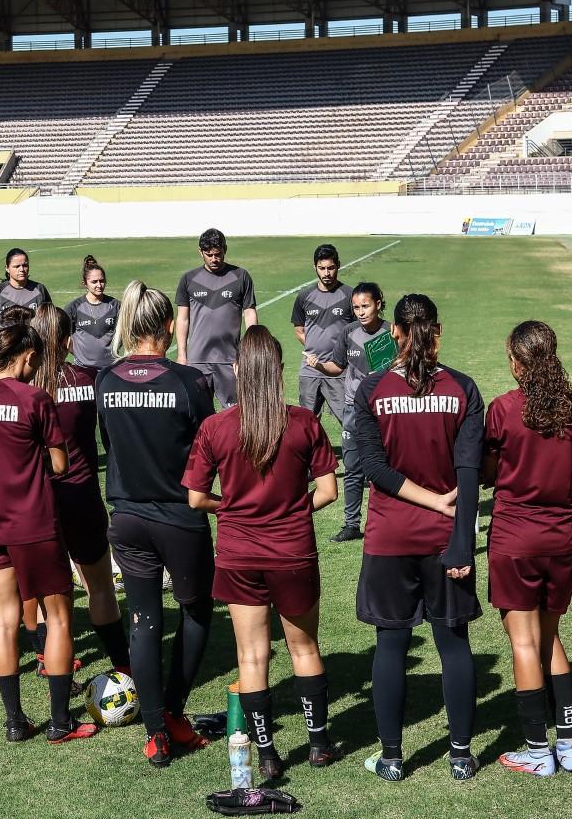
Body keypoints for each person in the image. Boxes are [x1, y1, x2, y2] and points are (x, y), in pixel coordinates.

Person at [183, 326, 341, 780]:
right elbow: (328, 491)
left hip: (238, 554)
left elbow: (195, 498)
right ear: (278, 371)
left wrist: (229, 509)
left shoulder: (216, 427)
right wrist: (291, 511)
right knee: (304, 648)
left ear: (237, 370)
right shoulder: (304, 422)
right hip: (293, 551)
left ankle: (268, 754)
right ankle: (319, 743)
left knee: (251, 657)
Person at [0, 305, 131, 676]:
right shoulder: (88, 378)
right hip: (80, 493)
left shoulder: (21, 387)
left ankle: (45, 656)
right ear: (68, 340)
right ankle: (122, 663)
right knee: (98, 587)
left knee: (38, 590)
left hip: (36, 500)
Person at [352, 293, 484, 782]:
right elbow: (468, 472)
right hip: (445, 540)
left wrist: (426, 501)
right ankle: (461, 755)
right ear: (438, 331)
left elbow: (374, 470)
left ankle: (391, 757)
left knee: (391, 643)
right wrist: (460, 538)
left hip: (388, 538)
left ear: (395, 334)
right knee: (453, 643)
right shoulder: (463, 388)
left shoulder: (371, 388)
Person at [0, 318, 97, 744]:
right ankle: (60, 721)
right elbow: (60, 464)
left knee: (6, 620)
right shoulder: (34, 397)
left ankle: (15, 721)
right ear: (29, 355)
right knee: (57, 618)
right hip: (32, 519)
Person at [97, 279, 216, 767]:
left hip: (126, 517)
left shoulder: (105, 381)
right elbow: (209, 449)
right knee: (196, 611)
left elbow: (110, 444)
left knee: (144, 623)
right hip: (179, 517)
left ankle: (154, 733)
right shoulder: (189, 382)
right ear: (169, 326)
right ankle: (173, 713)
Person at [483, 321, 572, 777]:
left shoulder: (504, 409)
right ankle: (568, 744)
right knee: (550, 639)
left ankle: (536, 749)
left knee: (524, 644)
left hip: (514, 538)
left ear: (520, 362)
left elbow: (487, 472)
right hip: (559, 538)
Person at [320, 282, 389, 543]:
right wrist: (320, 366)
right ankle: (351, 524)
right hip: (353, 409)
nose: (360, 312)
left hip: (384, 409)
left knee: (385, 467)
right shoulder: (348, 332)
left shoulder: (391, 332)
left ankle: (385, 523)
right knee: (352, 468)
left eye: (366, 306)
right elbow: (338, 366)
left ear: (379, 305)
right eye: (356, 307)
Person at [175, 228, 257, 408]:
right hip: (197, 361)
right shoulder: (188, 279)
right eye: (209, 254)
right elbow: (182, 319)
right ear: (200, 252)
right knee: (198, 414)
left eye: (218, 254)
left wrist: (249, 349)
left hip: (231, 360)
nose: (214, 259)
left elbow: (249, 313)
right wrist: (182, 354)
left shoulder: (240, 276)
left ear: (225, 249)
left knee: (235, 413)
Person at [293, 244, 353, 425]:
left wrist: (339, 355)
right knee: (306, 423)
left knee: (348, 419)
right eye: (322, 268)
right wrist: (313, 349)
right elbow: (298, 329)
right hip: (310, 371)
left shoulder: (350, 295)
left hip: (339, 371)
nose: (326, 273)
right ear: (315, 268)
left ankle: (354, 453)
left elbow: (358, 332)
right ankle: (311, 454)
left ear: (338, 265)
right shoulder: (304, 296)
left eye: (331, 268)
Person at [64, 255, 120, 372]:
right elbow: (64, 337)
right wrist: (80, 355)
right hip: (82, 369)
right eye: (94, 282)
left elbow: (124, 335)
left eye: (102, 281)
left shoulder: (116, 306)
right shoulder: (73, 307)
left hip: (110, 368)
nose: (99, 285)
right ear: (85, 283)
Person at [0, 248, 52, 327]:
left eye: (25, 265)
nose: (21, 269)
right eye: (17, 266)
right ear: (7, 268)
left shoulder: (39, 289)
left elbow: (50, 320)